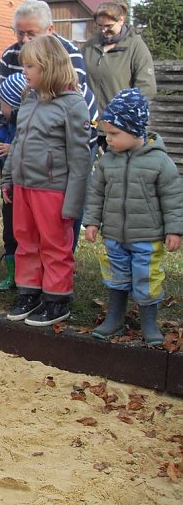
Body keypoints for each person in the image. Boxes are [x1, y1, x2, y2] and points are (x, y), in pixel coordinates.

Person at [1, 36, 91, 327]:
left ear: (50, 66)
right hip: (24, 185)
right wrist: (7, 178)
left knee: (54, 245)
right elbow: (18, 142)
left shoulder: (72, 105)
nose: (24, 71)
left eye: (30, 66)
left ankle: (57, 299)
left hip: (52, 188)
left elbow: (81, 158)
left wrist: (74, 202)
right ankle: (30, 292)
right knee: (25, 241)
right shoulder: (29, 99)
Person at [84, 88, 183, 345]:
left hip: (147, 237)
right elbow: (96, 194)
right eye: (107, 134)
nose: (110, 139)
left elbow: (173, 199)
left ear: (135, 130)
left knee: (146, 279)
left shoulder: (160, 162)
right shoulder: (108, 162)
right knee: (117, 277)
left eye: (115, 134)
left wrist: (174, 230)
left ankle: (149, 323)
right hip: (115, 235)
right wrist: (92, 221)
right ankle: (115, 318)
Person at [0, 0, 98, 250]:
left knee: (62, 209)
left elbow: (71, 101)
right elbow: (8, 100)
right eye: (19, 33)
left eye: (30, 33)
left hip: (67, 136)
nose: (23, 39)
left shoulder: (67, 54)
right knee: (26, 218)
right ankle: (26, 265)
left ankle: (64, 255)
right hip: (29, 131)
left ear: (50, 30)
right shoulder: (10, 54)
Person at [0, 72, 28, 291]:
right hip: (7, 188)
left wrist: (13, 149)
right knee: (9, 231)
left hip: (24, 187)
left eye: (2, 103)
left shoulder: (26, 125)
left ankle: (26, 276)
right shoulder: (5, 125)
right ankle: (12, 275)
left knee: (24, 233)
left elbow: (31, 148)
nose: (0, 108)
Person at [82, 1, 156, 125]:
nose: (104, 30)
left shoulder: (136, 47)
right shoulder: (90, 46)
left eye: (109, 26)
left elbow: (147, 88)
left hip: (121, 125)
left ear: (121, 20)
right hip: (91, 124)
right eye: (100, 26)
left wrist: (126, 115)